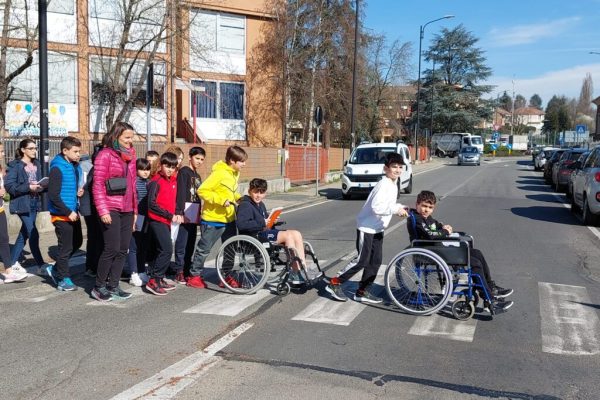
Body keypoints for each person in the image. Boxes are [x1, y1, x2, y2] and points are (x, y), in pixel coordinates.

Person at [407, 190, 513, 312]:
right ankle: (489, 300)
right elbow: (430, 235)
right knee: (473, 263)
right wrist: (445, 232)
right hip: (429, 252)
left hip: (437, 249)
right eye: (424, 206)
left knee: (477, 253)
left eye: (430, 207)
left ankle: (490, 287)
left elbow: (435, 225)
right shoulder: (417, 218)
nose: (426, 210)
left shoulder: (427, 218)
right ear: (417, 204)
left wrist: (443, 227)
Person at [326, 152, 409, 304]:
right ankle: (335, 283)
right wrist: (395, 210)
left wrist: (401, 207)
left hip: (378, 228)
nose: (397, 170)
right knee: (362, 260)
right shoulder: (383, 184)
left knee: (375, 262)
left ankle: (362, 291)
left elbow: (389, 204)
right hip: (367, 227)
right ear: (386, 168)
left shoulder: (393, 183)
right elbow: (377, 207)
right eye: (393, 167)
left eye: (400, 167)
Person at [188, 145, 247, 289]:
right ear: (232, 161)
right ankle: (194, 276)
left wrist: (240, 198)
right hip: (213, 218)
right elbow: (202, 191)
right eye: (241, 161)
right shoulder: (219, 173)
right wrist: (221, 200)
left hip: (229, 218)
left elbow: (229, 193)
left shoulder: (234, 173)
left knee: (230, 249)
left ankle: (226, 276)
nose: (244, 164)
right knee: (204, 249)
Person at [91, 122, 138, 302]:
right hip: (110, 207)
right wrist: (103, 210)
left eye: (131, 137)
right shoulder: (105, 155)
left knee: (123, 249)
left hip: (127, 208)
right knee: (111, 248)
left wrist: (135, 210)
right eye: (126, 137)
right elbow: (97, 185)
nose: (129, 141)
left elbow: (133, 186)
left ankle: (114, 285)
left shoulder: (131, 156)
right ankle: (99, 286)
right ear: (116, 136)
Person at [236, 178, 307, 284]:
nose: (258, 195)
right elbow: (241, 225)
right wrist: (263, 223)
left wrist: (272, 220)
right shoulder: (245, 205)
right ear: (250, 191)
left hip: (263, 232)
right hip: (254, 237)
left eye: (262, 192)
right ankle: (295, 271)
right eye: (256, 192)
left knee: (296, 234)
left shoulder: (260, 204)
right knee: (288, 236)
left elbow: (262, 220)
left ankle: (302, 267)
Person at [5, 138, 51, 274]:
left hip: (34, 202)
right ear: (23, 150)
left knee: (24, 234)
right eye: (31, 148)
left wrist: (41, 186)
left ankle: (12, 262)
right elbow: (10, 186)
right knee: (33, 232)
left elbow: (40, 184)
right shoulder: (15, 166)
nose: (34, 151)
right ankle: (41, 264)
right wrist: (28, 187)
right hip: (22, 203)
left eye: (35, 148)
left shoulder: (37, 164)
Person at [46, 137, 84, 291]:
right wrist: (68, 212)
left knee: (78, 242)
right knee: (65, 247)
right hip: (62, 215)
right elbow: (54, 195)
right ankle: (63, 278)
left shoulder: (73, 166)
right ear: (65, 151)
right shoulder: (57, 168)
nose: (78, 154)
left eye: (79, 151)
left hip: (73, 212)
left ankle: (56, 269)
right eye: (75, 151)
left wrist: (77, 192)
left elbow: (68, 188)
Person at [145, 152, 184, 295]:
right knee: (167, 249)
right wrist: (169, 215)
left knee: (161, 250)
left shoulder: (173, 181)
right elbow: (152, 204)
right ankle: (154, 280)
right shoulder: (156, 181)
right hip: (157, 220)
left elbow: (173, 201)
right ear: (161, 165)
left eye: (173, 167)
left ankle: (159, 278)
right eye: (167, 166)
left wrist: (177, 213)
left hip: (167, 221)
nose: (169, 169)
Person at [173, 146, 205, 283]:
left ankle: (187, 269)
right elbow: (181, 192)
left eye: (202, 159)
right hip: (184, 211)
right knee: (182, 242)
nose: (199, 161)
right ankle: (179, 270)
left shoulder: (197, 176)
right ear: (190, 157)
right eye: (197, 158)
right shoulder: (184, 172)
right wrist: (179, 211)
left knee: (191, 243)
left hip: (194, 211)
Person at [0, 143, 27, 284]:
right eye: (1, 151)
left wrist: (4, 194)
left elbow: (4, 193)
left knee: (4, 239)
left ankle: (9, 271)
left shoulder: (1, 169)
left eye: (3, 151)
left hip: (0, 210)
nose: (3, 154)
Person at [125, 158, 151, 287]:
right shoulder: (133, 183)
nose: (145, 172)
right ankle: (133, 273)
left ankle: (141, 270)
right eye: (142, 169)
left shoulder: (149, 182)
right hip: (136, 217)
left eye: (147, 169)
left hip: (147, 218)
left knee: (144, 246)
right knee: (134, 246)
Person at [79, 144, 103, 278]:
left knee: (94, 238)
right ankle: (92, 266)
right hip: (92, 210)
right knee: (95, 238)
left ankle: (92, 266)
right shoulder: (95, 171)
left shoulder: (94, 169)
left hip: (91, 209)